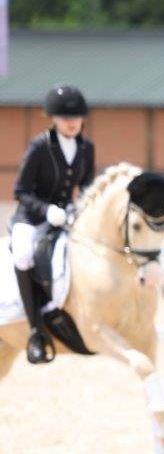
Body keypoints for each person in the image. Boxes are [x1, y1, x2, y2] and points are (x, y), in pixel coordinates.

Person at [10, 84, 96, 364]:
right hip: (32, 218)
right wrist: (47, 210)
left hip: (67, 216)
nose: (71, 123)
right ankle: (36, 332)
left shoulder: (87, 148)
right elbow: (20, 191)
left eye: (76, 117)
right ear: (54, 119)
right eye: (65, 118)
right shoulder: (40, 147)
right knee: (23, 254)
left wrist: (77, 208)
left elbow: (88, 187)